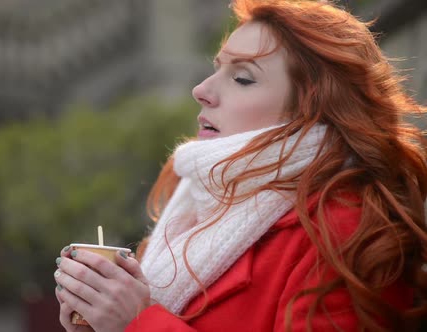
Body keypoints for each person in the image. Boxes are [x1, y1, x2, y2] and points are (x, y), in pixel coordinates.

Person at [53, 0, 427, 331]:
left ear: (311, 112)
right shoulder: (194, 208)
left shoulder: (346, 232)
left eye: (242, 78)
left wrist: (139, 322)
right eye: (217, 68)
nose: (201, 89)